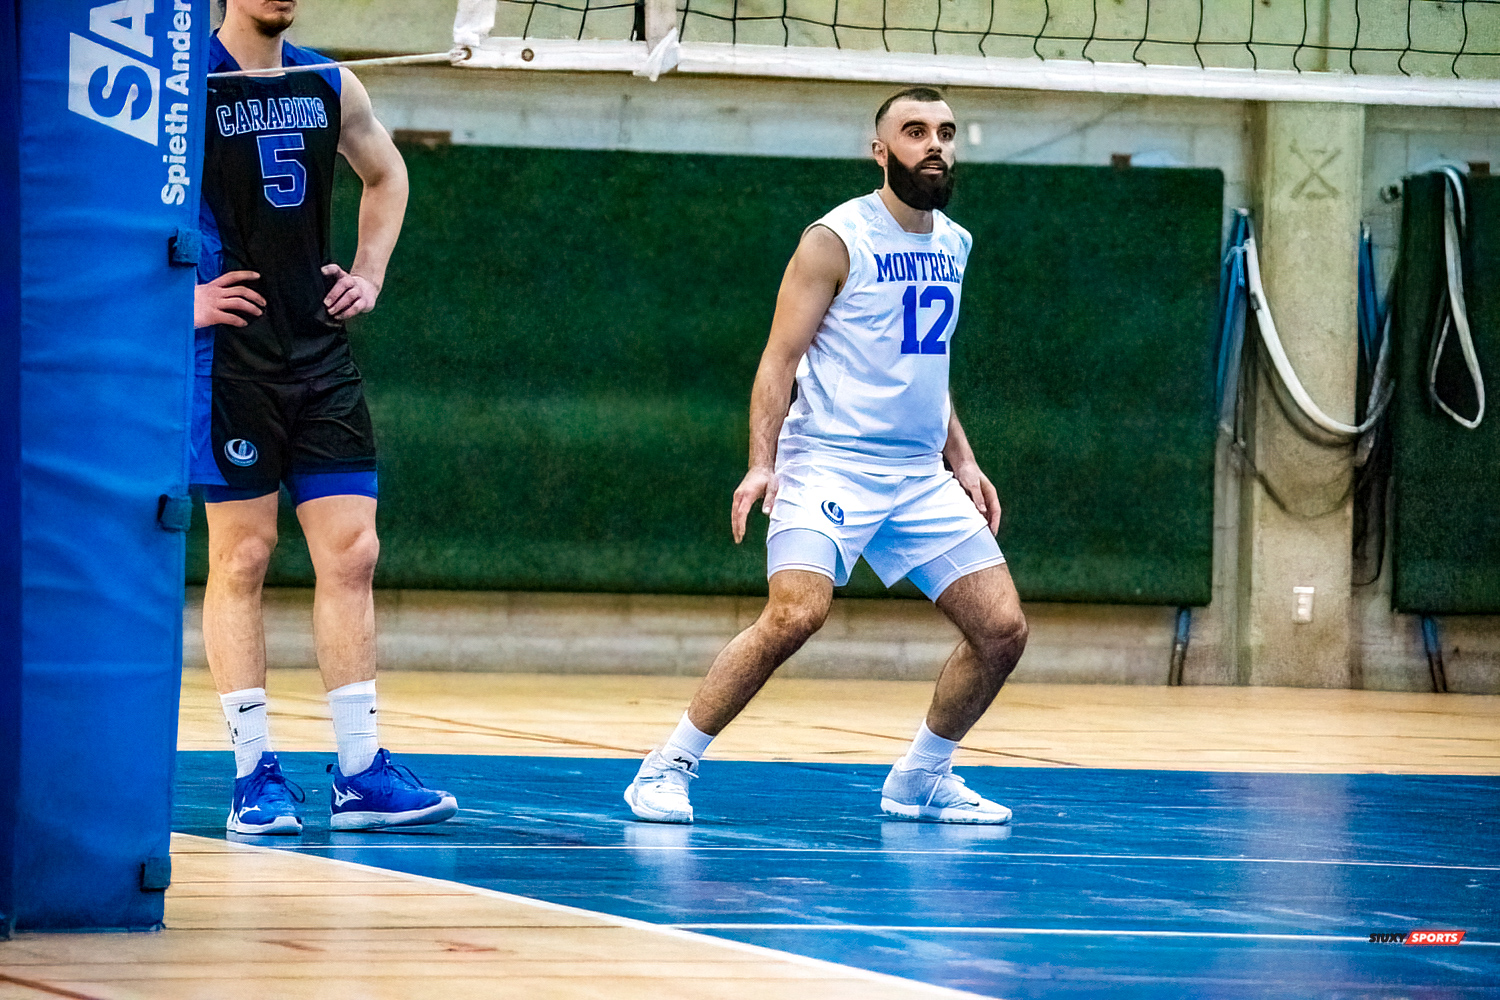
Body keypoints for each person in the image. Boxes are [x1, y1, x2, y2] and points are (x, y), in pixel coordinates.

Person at [624, 87, 1028, 825]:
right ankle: (667, 766)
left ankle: (921, 779)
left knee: (1003, 630)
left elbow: (925, 369)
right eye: (914, 131)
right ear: (881, 151)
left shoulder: (955, 243)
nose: (933, 143)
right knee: (795, 615)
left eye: (945, 131)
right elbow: (779, 360)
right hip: (829, 463)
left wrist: (962, 460)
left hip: (917, 474)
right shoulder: (836, 238)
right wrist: (761, 462)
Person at [193, 0, 455, 834]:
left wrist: (369, 272)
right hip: (230, 358)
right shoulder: (184, 84)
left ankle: (360, 771)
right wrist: (181, 299)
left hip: (318, 351)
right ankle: (252, 775)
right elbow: (106, 205)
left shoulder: (327, 80)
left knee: (354, 552)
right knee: (245, 557)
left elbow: (388, 173)